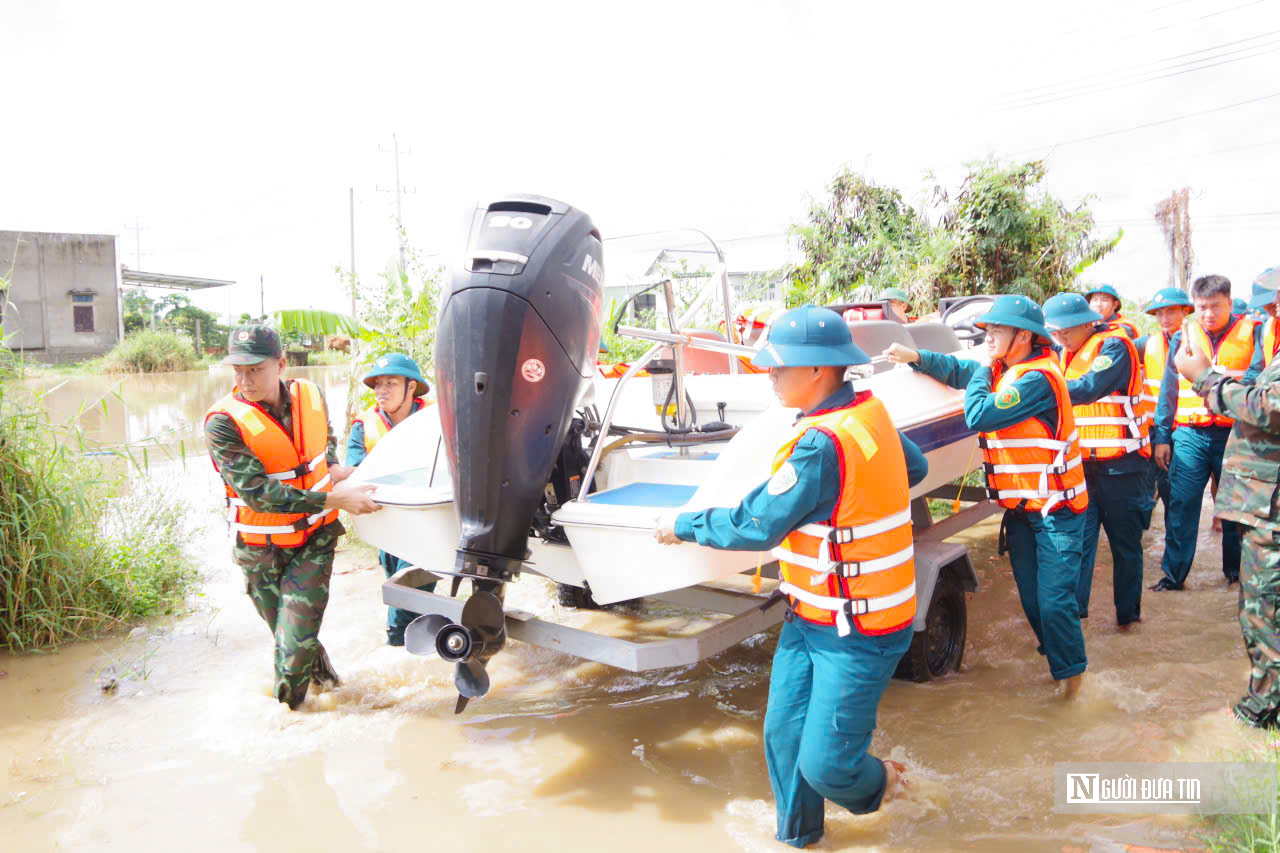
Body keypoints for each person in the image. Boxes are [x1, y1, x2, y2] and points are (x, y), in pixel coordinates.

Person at [654, 305, 927, 848]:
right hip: (811, 616)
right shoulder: (866, 413)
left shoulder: (823, 444)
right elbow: (913, 468)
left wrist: (680, 526)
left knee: (828, 768)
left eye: (779, 367)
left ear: (819, 372)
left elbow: (755, 525)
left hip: (860, 632)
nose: (771, 376)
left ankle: (885, 782)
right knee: (783, 736)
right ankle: (800, 839)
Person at [884, 294, 1088, 697]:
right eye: (988, 330)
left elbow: (979, 414)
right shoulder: (1004, 369)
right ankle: (1058, 664)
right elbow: (959, 368)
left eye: (997, 330)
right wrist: (917, 358)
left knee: (1054, 604)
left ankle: (1072, 684)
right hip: (1022, 510)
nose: (988, 336)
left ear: (1025, 338)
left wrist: (981, 371)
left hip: (1056, 512)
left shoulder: (1036, 380)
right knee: (1033, 603)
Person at [205, 325, 381, 709]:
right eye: (237, 370)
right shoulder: (223, 422)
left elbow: (324, 437)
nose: (244, 379)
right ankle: (332, 688)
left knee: (294, 639)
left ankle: (289, 720)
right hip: (260, 552)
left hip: (314, 541)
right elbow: (259, 495)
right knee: (293, 639)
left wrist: (332, 466)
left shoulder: (311, 394)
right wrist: (337, 499)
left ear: (281, 364)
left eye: (255, 369)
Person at [1171, 276, 1280, 728]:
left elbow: (1268, 407)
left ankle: (1264, 710)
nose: (1272, 318)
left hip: (1269, 510)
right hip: (1261, 501)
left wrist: (1204, 379)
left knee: (1264, 610)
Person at [1042, 293, 1150, 629]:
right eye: (1055, 333)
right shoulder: (1061, 354)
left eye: (1067, 331)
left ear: (1089, 322)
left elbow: (1091, 387)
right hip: (1080, 469)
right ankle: (1075, 618)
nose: (1061, 338)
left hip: (1122, 467)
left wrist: (1040, 391)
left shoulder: (1114, 347)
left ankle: (1127, 618)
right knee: (1078, 545)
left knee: (1125, 545)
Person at [1150, 275, 1262, 590]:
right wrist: (1162, 437)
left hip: (1235, 434)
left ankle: (1235, 574)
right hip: (1189, 435)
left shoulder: (1253, 333)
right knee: (1183, 504)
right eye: (1202, 307)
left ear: (1229, 302)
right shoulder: (1183, 336)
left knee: (1233, 508)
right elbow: (1168, 391)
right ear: (1194, 307)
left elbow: (1255, 381)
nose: (1208, 314)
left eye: (1215, 306)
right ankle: (1173, 576)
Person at [346, 353, 438, 646]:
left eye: (391, 383)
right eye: (378, 385)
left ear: (412, 387)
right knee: (410, 595)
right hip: (387, 523)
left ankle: (398, 648)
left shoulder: (437, 418)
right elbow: (356, 471)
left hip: (428, 521)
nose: (382, 391)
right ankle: (422, 648)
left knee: (405, 598)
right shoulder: (364, 425)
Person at [1134, 288, 1195, 530]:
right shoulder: (1146, 344)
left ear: (1185, 311)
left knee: (1175, 493)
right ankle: (1143, 535)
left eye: (1170, 312)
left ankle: (1173, 544)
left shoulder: (1198, 341)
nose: (1165, 318)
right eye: (1159, 314)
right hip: (1153, 430)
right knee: (1148, 486)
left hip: (1185, 430)